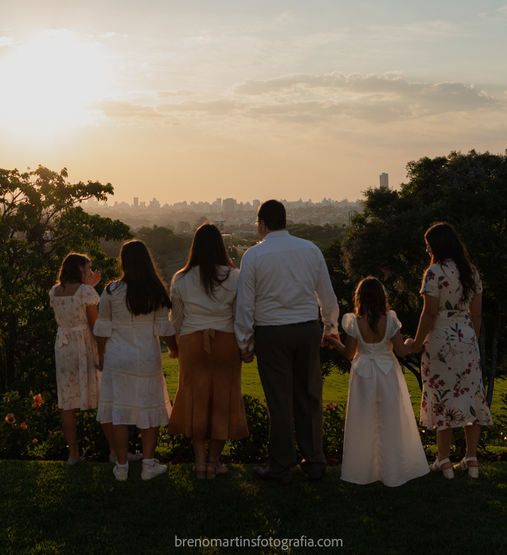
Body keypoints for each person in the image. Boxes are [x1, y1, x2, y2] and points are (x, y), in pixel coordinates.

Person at [235, 199, 339, 484]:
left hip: (272, 332)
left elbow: (245, 304)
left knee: (279, 401)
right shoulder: (310, 249)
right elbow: (326, 295)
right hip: (307, 329)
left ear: (263, 224)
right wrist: (330, 327)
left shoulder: (254, 256)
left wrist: (244, 340)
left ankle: (281, 466)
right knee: (309, 397)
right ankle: (315, 462)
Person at [408, 222, 492, 479]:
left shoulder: (434, 272)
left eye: (428, 244)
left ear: (437, 246)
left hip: (440, 339)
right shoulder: (472, 273)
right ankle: (471, 459)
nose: (426, 249)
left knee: (442, 397)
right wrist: (470, 341)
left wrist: (416, 341)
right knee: (471, 397)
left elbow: (430, 313)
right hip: (467, 338)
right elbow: (476, 314)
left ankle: (443, 460)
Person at [327, 278, 431, 487]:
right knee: (390, 421)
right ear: (382, 298)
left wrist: (332, 340)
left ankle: (365, 472)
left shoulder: (354, 322)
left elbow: (349, 354)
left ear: (360, 298)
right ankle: (392, 471)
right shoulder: (390, 320)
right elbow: (401, 351)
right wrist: (412, 342)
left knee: (364, 422)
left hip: (363, 376)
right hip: (387, 375)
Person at [168, 223, 249, 480]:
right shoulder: (235, 276)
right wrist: (246, 345)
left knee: (195, 398)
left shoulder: (181, 277)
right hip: (226, 343)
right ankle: (215, 462)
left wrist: (177, 346)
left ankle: (200, 462)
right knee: (222, 400)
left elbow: (176, 319)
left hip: (192, 343)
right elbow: (241, 316)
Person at [94, 239, 178, 481]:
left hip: (118, 358)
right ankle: (148, 465)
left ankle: (121, 468)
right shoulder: (156, 291)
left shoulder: (111, 291)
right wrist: (175, 349)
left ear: (123, 261)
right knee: (149, 410)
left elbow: (102, 329)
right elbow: (164, 328)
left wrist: (101, 355)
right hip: (146, 358)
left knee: (119, 413)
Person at [50, 252, 102, 466]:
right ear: (80, 269)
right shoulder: (86, 292)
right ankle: (116, 453)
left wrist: (88, 284)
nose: (90, 272)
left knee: (67, 403)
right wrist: (102, 351)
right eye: (88, 268)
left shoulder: (55, 292)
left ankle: (73, 454)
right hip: (84, 346)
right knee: (103, 398)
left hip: (63, 347)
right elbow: (95, 324)